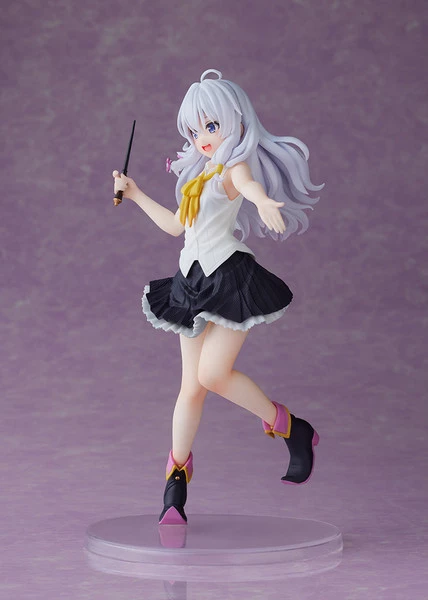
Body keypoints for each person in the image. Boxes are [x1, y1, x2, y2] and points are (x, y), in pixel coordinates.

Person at [112, 69, 324, 525]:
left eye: (211, 126)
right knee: (190, 388)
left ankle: (291, 427)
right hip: (190, 281)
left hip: (228, 279)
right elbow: (175, 227)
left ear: (235, 122)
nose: (203, 138)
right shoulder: (198, 175)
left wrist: (261, 201)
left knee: (212, 374)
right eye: (195, 131)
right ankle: (175, 483)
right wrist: (135, 193)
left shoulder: (232, 168)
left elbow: (247, 185)